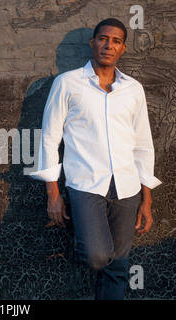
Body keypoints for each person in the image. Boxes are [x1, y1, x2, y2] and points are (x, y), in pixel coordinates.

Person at [29, 18, 162, 300]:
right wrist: (53, 194)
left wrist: (147, 199)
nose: (108, 45)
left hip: (127, 188)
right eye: (103, 39)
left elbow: (143, 145)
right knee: (98, 257)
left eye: (115, 41)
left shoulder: (133, 89)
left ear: (123, 48)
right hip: (86, 185)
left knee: (118, 268)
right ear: (93, 43)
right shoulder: (67, 83)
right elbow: (50, 138)